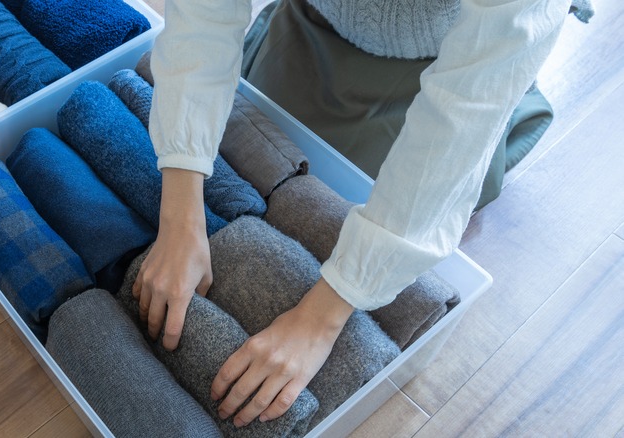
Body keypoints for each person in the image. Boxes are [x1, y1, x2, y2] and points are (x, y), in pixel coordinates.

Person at [132, 0, 584, 428]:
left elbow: (463, 117)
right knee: (267, 129)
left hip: (448, 56)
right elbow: (204, 17)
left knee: (375, 185)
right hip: (316, 19)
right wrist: (180, 216)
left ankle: (521, 96)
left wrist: (321, 317)